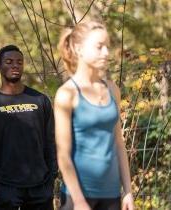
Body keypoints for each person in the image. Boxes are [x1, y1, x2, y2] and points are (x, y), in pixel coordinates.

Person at [54, 21, 135, 210]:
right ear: (79, 48)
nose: (106, 52)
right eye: (99, 47)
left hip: (112, 196)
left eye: (107, 46)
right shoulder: (67, 94)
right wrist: (80, 201)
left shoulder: (113, 89)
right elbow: (63, 155)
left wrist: (128, 191)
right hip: (78, 198)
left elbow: (118, 143)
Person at [0, 45, 57, 210]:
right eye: (9, 62)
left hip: (40, 188)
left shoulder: (40, 100)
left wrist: (51, 177)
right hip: (6, 188)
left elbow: (51, 141)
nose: (15, 66)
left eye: (19, 62)